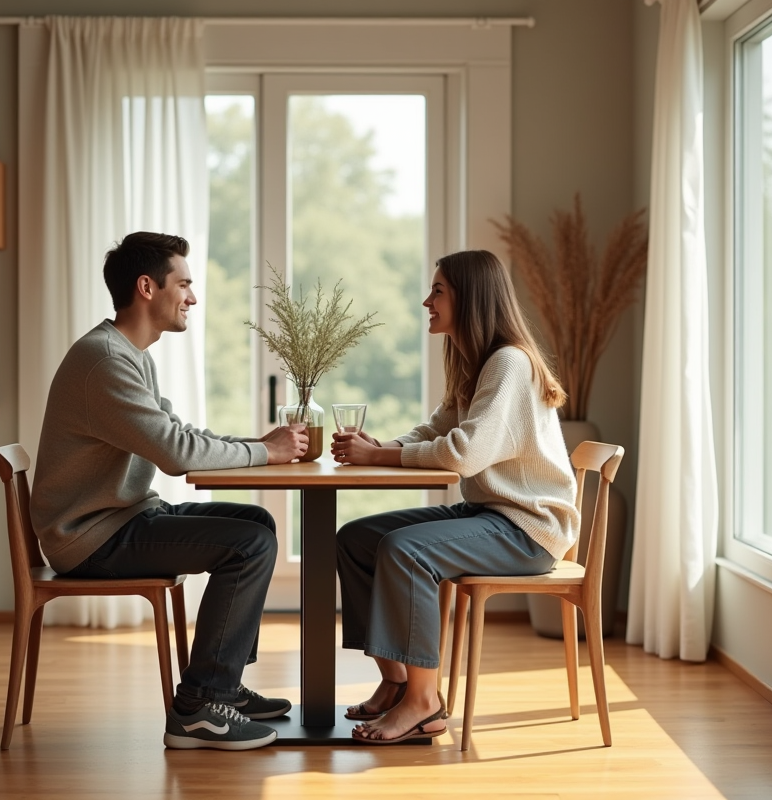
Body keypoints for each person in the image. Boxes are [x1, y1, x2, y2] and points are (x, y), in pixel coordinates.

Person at [31, 232, 309, 751]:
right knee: (249, 545)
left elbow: (179, 433)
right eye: (184, 283)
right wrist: (265, 452)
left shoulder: (129, 354)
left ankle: (225, 688)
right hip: (92, 538)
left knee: (257, 526)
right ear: (146, 287)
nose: (192, 298)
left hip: (120, 520)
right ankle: (199, 707)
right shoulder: (105, 361)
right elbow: (178, 455)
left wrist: (256, 444)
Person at [330, 249, 580, 744]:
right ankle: (398, 681)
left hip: (527, 528)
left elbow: (463, 455)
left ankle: (424, 705)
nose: (427, 300)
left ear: (470, 298)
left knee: (405, 550)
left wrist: (376, 459)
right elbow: (438, 428)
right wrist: (385, 446)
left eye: (438, 290)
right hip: (491, 513)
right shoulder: (477, 362)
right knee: (356, 538)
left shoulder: (509, 363)